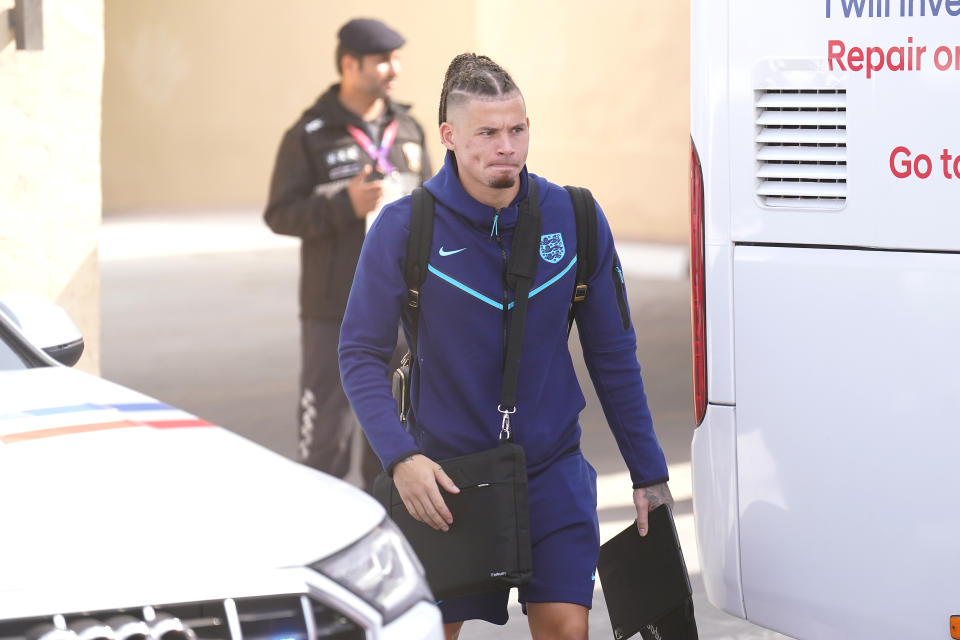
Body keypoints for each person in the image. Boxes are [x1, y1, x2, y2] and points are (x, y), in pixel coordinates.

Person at [338, 53, 672, 639]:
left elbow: (613, 354)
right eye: (487, 133)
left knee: (568, 629)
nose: (507, 147)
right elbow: (359, 353)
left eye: (517, 129)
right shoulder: (403, 228)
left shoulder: (576, 218)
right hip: (445, 480)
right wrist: (401, 457)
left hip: (552, 470)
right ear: (449, 136)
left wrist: (649, 473)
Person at [263, 18, 431, 492]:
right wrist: (343, 207)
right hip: (331, 311)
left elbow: (439, 210)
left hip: (404, 311)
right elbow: (280, 213)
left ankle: (395, 546)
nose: (394, 69)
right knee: (324, 449)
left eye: (397, 58)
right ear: (349, 65)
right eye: (382, 60)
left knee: (397, 444)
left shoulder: (411, 130)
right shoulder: (309, 134)